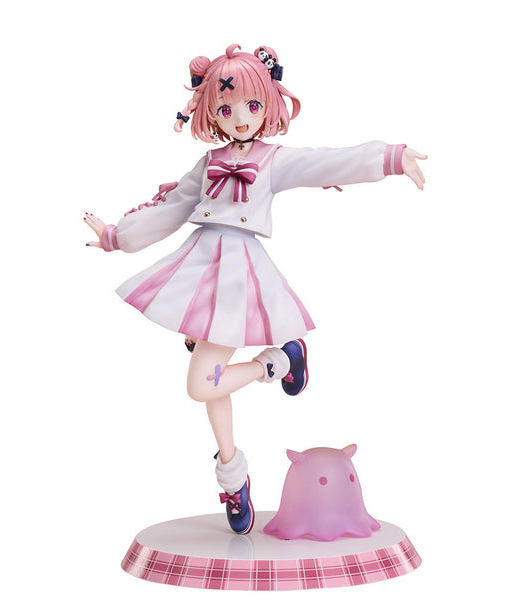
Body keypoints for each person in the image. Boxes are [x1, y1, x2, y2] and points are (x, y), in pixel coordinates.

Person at [84, 43, 427, 535]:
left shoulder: (272, 161)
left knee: (202, 384)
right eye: (226, 109)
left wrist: (390, 158)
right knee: (210, 383)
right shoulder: (208, 163)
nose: (241, 118)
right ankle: (233, 475)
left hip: (237, 276)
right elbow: (170, 210)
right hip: (198, 269)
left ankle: (277, 363)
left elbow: (327, 162)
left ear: (269, 103)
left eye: (252, 105)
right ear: (210, 111)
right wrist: (117, 236)